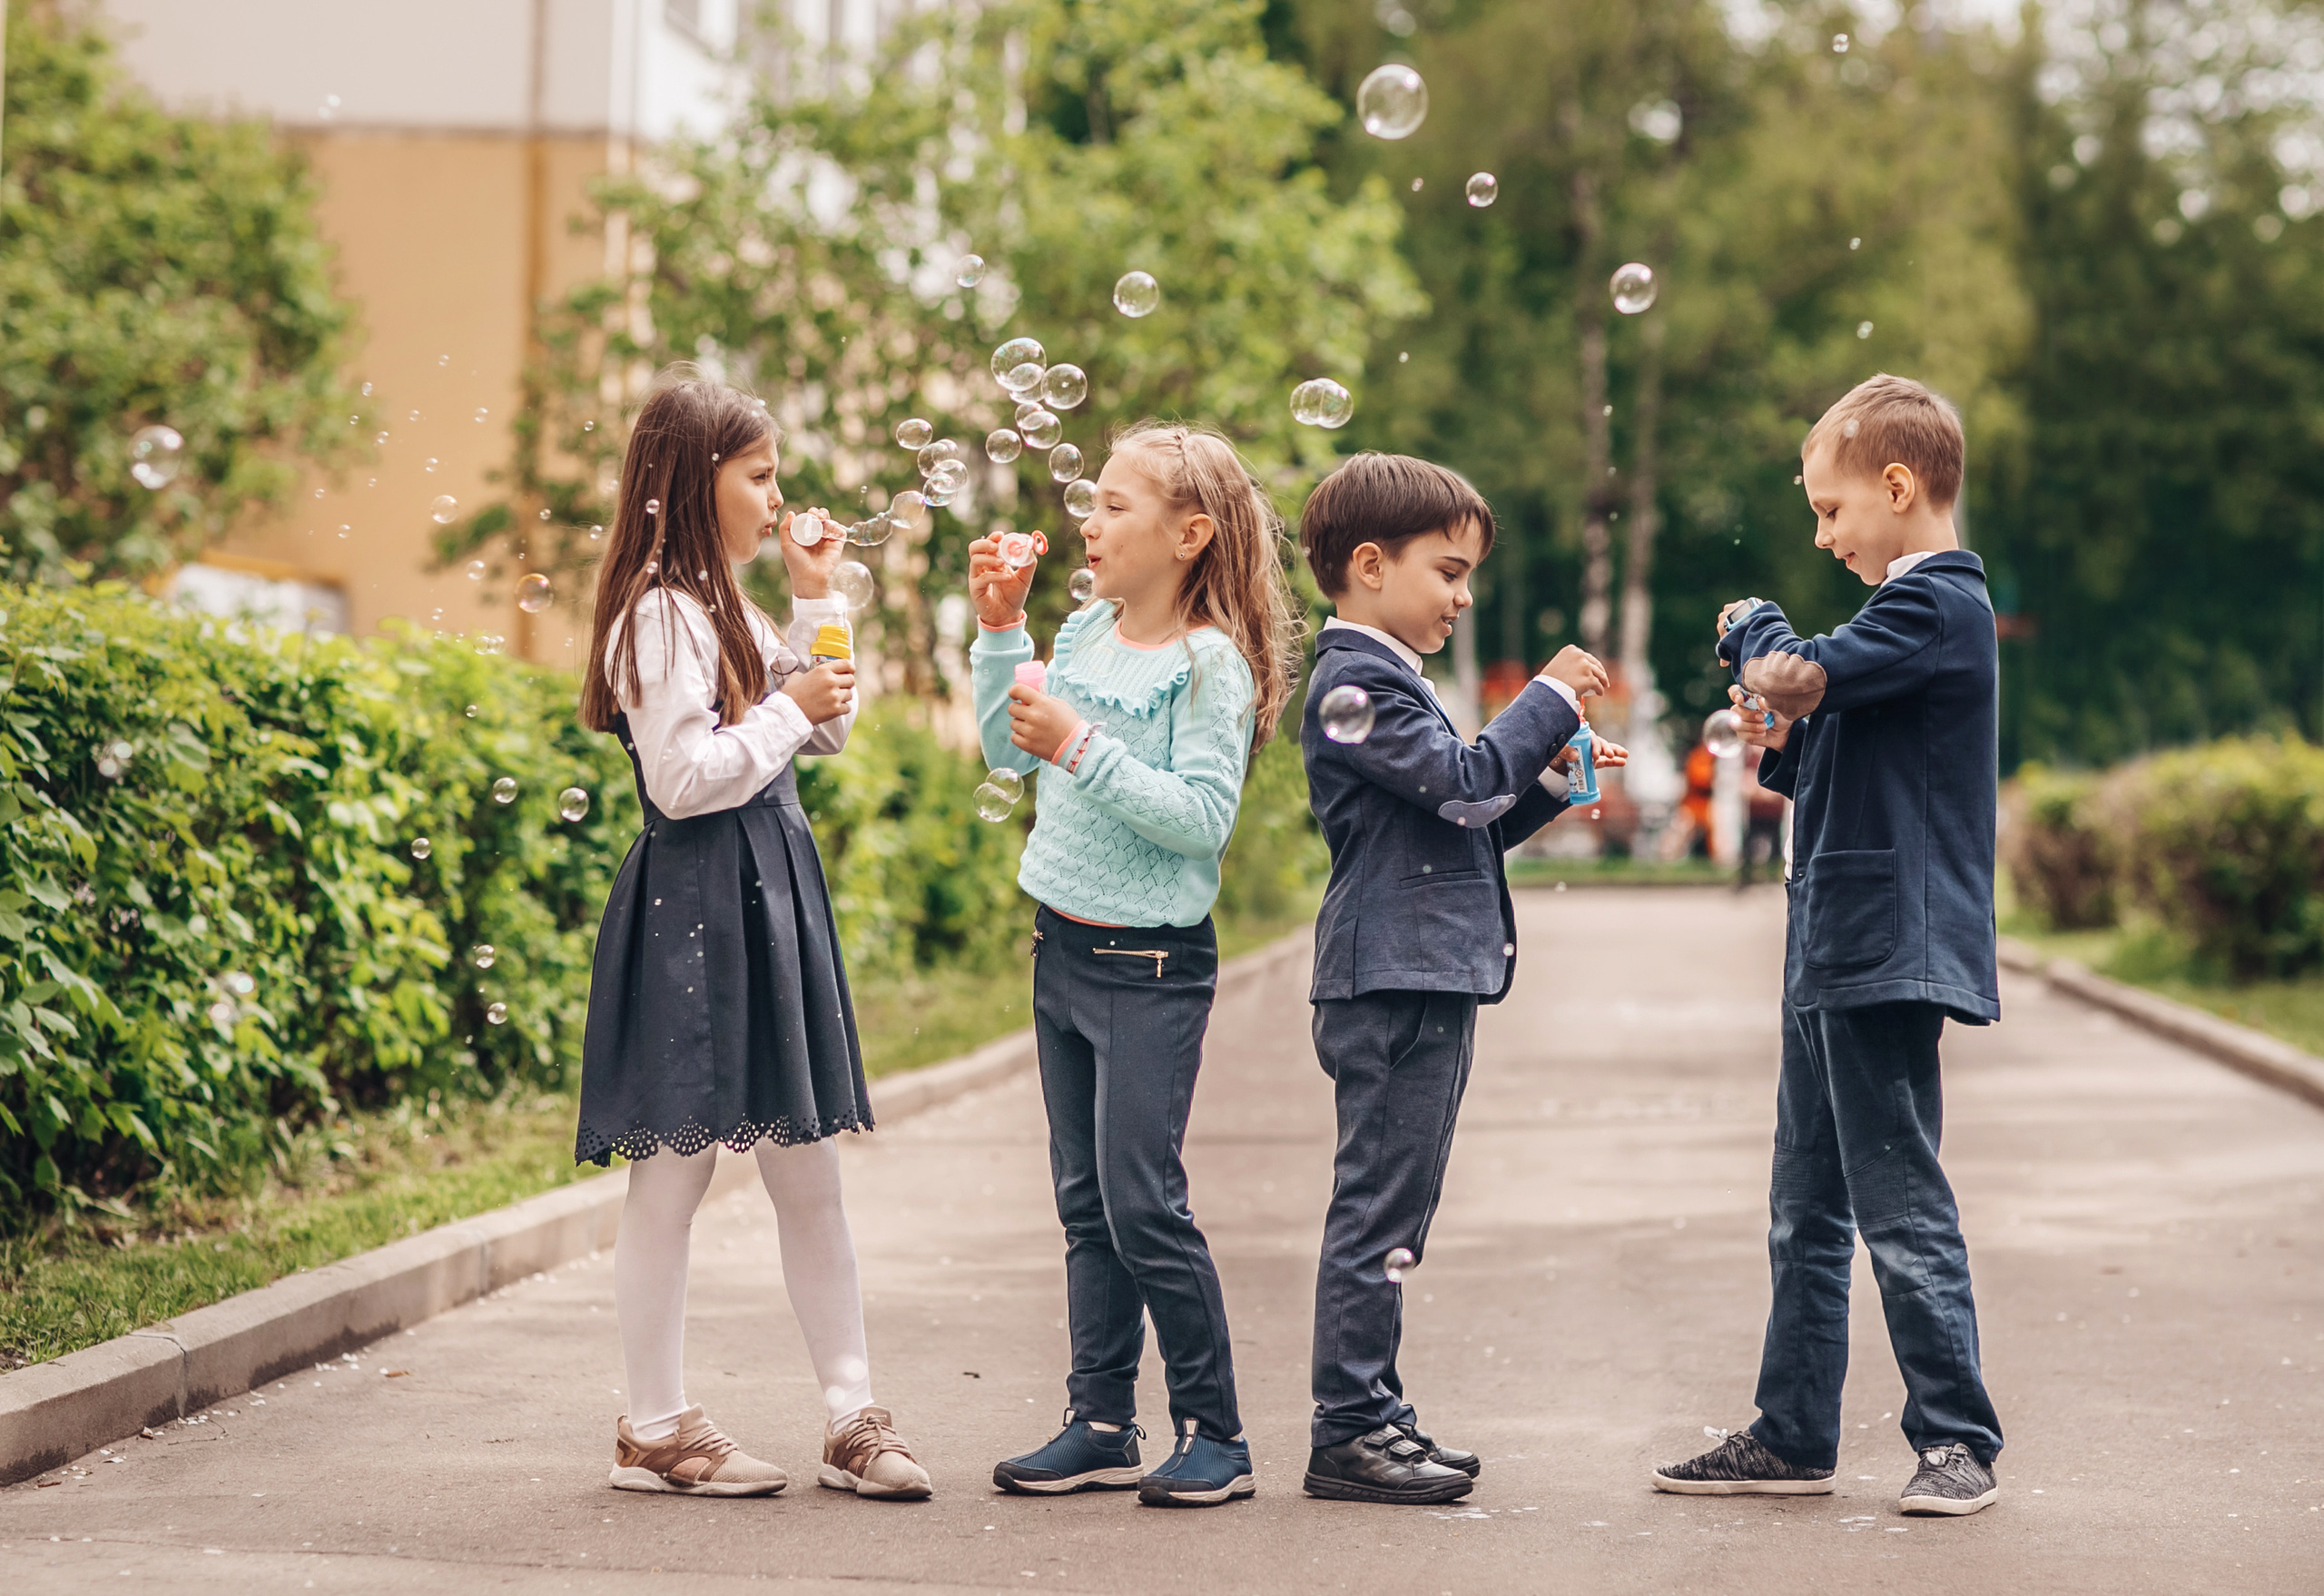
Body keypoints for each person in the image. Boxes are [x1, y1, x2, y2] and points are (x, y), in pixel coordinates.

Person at [1652, 372, 2004, 1516]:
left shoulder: (1937, 602)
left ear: (1896, 487)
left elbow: (1793, 671)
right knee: (1804, 1205)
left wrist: (1752, 630)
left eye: (1830, 509)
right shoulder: (1889, 621)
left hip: (1885, 946)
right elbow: (1819, 733)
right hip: (1834, 939)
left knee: (1897, 1200)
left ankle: (1956, 1439)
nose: (1821, 533)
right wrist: (1785, 723)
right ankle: (1793, 1429)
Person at [575, 372, 931, 1502]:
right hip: (695, 901)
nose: (780, 499)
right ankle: (655, 1426)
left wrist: (817, 597)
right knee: (673, 1174)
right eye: (761, 477)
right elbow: (683, 782)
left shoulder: (734, 605)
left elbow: (825, 729)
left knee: (807, 1168)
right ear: (695, 483)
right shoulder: (659, 611)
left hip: (766, 892)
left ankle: (850, 1412)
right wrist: (787, 709)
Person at [969, 421, 1300, 1507]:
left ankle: (1218, 1434)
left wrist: (1079, 744)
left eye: (1116, 504)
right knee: (1083, 1205)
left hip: (1151, 965)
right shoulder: (1082, 633)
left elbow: (1199, 820)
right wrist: (1002, 634)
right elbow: (1000, 748)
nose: (1088, 520)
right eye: (1091, 500)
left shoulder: (1211, 665)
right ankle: (1100, 1420)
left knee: (1141, 1201)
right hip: (1057, 948)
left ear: (1190, 533)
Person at [1295, 453, 1626, 1505]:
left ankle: (1377, 1411)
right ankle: (1346, 1430)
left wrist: (1555, 779)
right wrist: (1545, 695)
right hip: (1388, 979)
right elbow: (1464, 777)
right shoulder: (1355, 679)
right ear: (1367, 565)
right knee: (1376, 1214)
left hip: (1420, 974)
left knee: (1399, 1212)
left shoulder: (1390, 678)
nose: (1463, 594)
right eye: (1448, 571)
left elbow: (1467, 815)